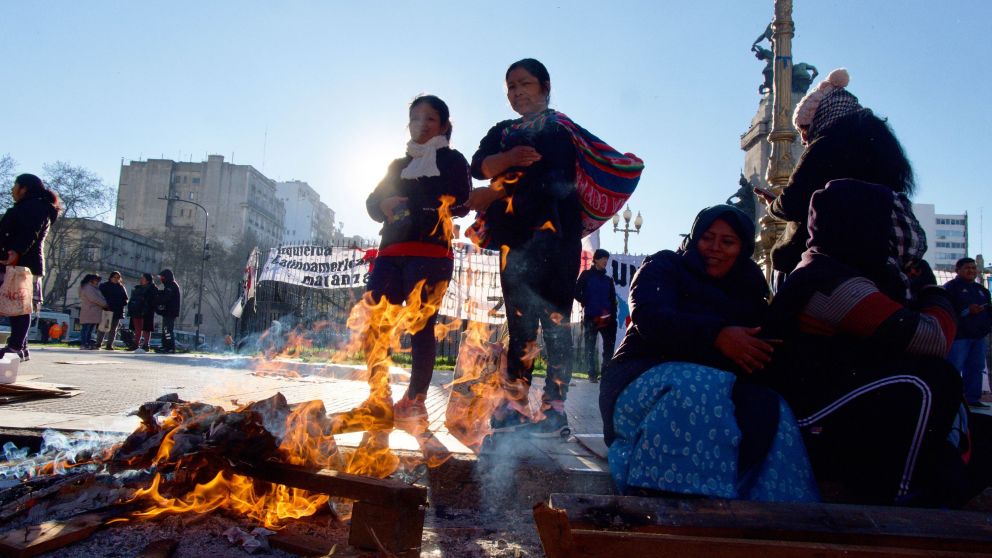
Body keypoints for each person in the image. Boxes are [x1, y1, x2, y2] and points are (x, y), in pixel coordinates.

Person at [761, 179, 981, 506]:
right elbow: (931, 339)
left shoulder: (842, 269)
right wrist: (932, 291)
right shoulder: (830, 279)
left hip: (828, 403)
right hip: (808, 415)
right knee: (931, 381)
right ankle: (902, 497)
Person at [600, 205, 818, 502]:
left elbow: (761, 346)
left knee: (771, 407)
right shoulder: (664, 266)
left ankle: (774, 518)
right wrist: (716, 336)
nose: (715, 248)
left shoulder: (750, 288)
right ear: (694, 238)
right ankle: (667, 501)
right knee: (698, 386)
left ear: (742, 247)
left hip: (718, 391)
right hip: (642, 377)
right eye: (707, 238)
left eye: (727, 242)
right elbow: (651, 317)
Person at [466, 58, 583, 437]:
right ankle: (514, 405)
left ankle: (554, 408)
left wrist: (505, 181)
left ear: (545, 86)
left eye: (525, 84)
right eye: (511, 87)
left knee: (557, 326)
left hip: (558, 241)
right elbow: (477, 165)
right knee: (520, 327)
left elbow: (558, 178)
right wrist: (509, 160)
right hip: (515, 245)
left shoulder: (561, 129)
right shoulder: (502, 132)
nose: (517, 92)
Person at [364, 94, 470, 423]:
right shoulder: (398, 165)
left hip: (431, 254)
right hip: (390, 254)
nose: (420, 125)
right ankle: (378, 395)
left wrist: (417, 203)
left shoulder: (453, 161)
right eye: (414, 119)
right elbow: (371, 202)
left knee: (421, 326)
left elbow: (462, 199)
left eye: (429, 119)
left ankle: (416, 401)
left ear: (444, 125)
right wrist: (383, 205)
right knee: (376, 324)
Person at [766, 68, 916, 276]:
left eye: (804, 129)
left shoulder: (826, 146)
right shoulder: (882, 148)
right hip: (874, 258)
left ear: (820, 117)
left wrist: (773, 205)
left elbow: (795, 203)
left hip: (815, 261)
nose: (803, 139)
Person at [0, 173, 61, 361]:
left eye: (15, 186)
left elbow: (29, 232)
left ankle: (16, 346)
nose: (12, 190)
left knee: (19, 305)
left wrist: (15, 252)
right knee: (20, 304)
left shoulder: (33, 207)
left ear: (24, 188)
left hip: (21, 264)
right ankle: (20, 346)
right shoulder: (37, 206)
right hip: (26, 263)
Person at [943, 257, 992, 408]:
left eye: (973, 267)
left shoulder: (982, 290)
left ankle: (972, 399)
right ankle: (949, 399)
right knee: (954, 368)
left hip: (978, 337)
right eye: (967, 268)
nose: (971, 270)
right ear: (957, 270)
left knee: (976, 368)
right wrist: (966, 311)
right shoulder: (950, 288)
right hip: (959, 336)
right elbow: (946, 311)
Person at [574, 248, 617, 383]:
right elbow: (576, 291)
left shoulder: (608, 280)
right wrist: (585, 301)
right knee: (590, 347)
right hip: (591, 317)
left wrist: (613, 316)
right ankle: (592, 374)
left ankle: (605, 373)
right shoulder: (586, 275)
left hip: (607, 319)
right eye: (603, 258)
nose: (605, 261)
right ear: (596, 259)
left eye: (607, 259)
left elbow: (612, 299)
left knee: (608, 348)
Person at [95, 271, 128, 350]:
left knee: (113, 329)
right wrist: (105, 304)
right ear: (111, 277)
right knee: (103, 327)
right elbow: (99, 296)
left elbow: (125, 299)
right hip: (107, 309)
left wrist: (121, 303)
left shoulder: (121, 287)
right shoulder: (104, 286)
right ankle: (98, 343)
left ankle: (109, 345)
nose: (116, 279)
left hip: (117, 311)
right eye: (114, 277)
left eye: (118, 278)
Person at [128, 273, 157, 352]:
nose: (141, 280)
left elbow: (152, 301)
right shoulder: (137, 288)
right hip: (136, 310)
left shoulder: (152, 289)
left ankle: (146, 344)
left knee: (146, 329)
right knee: (137, 329)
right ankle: (135, 344)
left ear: (147, 280)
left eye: (143, 278)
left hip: (146, 311)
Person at [78, 274, 108, 350]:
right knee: (86, 328)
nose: (97, 282)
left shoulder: (91, 287)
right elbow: (94, 298)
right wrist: (104, 303)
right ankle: (84, 343)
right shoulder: (88, 288)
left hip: (92, 311)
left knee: (89, 329)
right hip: (90, 310)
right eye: (96, 280)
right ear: (91, 280)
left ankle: (87, 343)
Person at [155, 269, 181, 353]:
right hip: (168, 311)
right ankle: (165, 345)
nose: (161, 279)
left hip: (170, 311)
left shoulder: (171, 286)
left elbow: (166, 298)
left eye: (162, 277)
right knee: (165, 329)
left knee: (167, 330)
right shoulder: (170, 285)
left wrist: (158, 299)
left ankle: (169, 347)